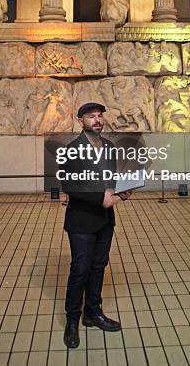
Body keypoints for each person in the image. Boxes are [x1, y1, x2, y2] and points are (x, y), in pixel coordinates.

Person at [61, 102, 132, 349]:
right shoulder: (71, 150)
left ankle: (93, 312)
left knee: (99, 266)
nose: (97, 120)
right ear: (81, 121)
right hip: (81, 220)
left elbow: (110, 181)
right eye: (91, 116)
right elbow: (69, 186)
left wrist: (123, 190)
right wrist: (100, 198)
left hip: (105, 221)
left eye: (100, 116)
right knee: (80, 270)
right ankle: (72, 321)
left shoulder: (110, 148)